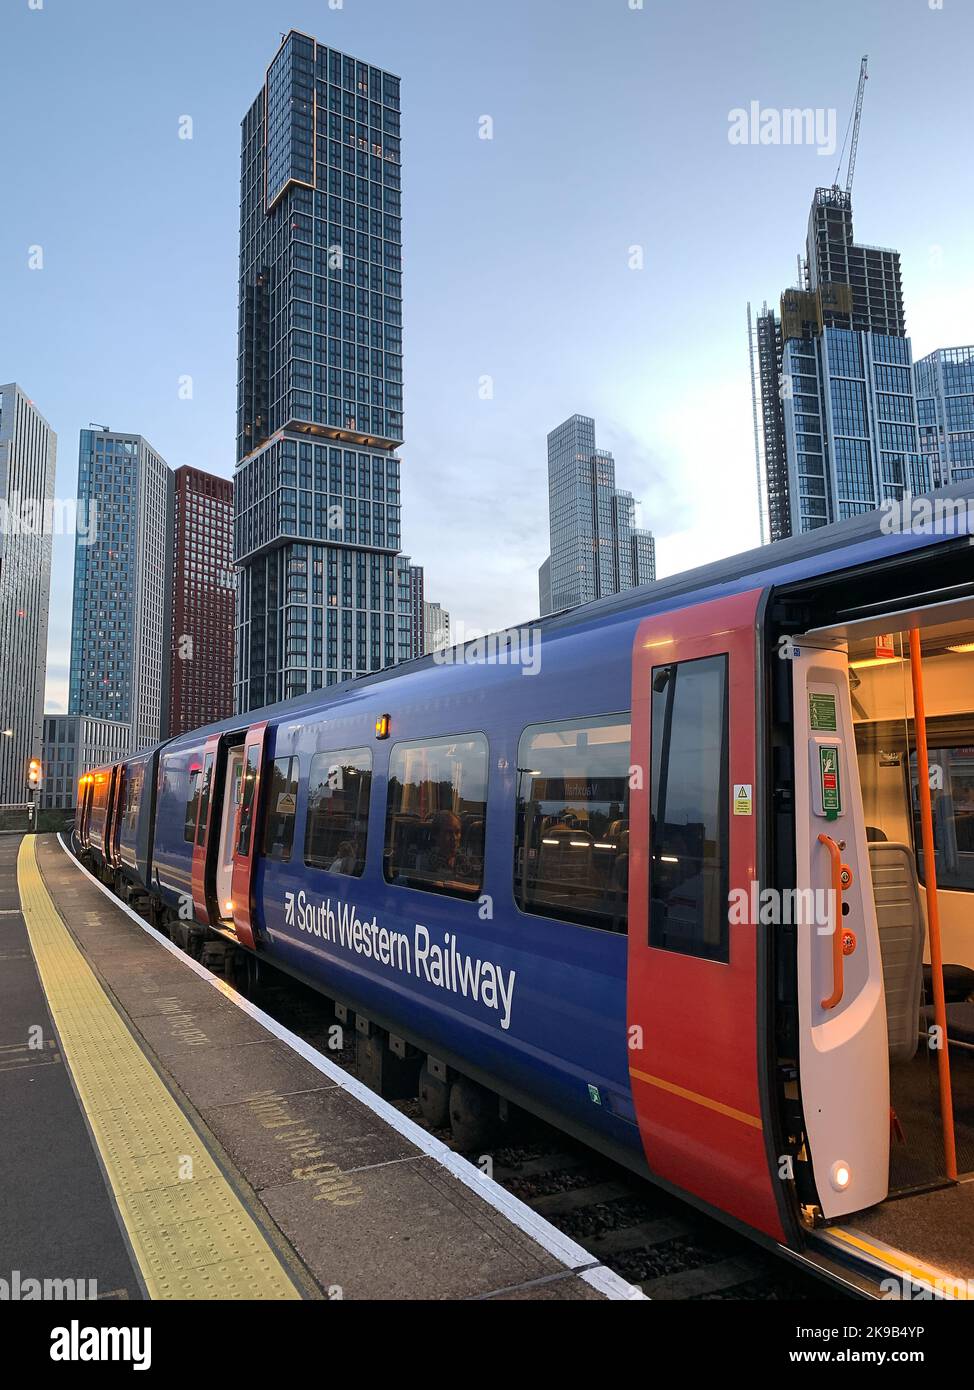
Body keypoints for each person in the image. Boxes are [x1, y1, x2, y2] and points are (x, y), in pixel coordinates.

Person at [417, 810, 476, 884]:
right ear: (436, 835)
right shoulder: (424, 860)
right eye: (448, 832)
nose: (454, 838)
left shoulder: (468, 860)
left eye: (457, 832)